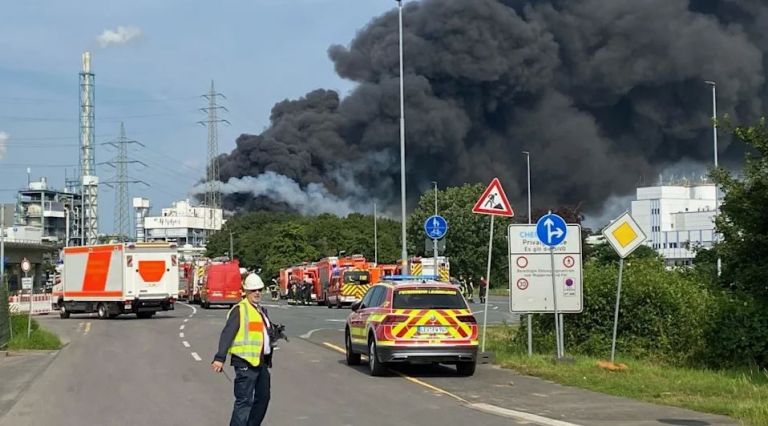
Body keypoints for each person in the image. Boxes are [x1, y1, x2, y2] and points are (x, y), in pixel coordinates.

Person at [212, 273, 274, 426]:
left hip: (261, 363)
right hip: (245, 363)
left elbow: (259, 332)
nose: (257, 293)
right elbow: (227, 333)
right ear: (246, 291)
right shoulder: (240, 310)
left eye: (259, 290)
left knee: (263, 398)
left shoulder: (260, 310)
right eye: (253, 290)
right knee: (244, 402)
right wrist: (220, 358)